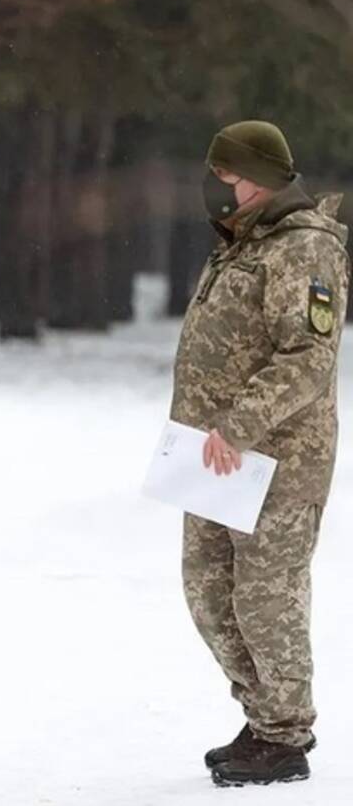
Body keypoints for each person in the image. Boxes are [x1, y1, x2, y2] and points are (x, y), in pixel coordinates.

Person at [177, 120, 348, 786]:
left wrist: (241, 423)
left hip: (277, 455)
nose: (212, 185)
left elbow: (308, 355)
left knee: (264, 595)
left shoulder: (302, 248)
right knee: (208, 590)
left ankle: (284, 735)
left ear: (256, 178)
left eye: (222, 173)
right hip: (214, 455)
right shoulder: (243, 242)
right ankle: (263, 713)